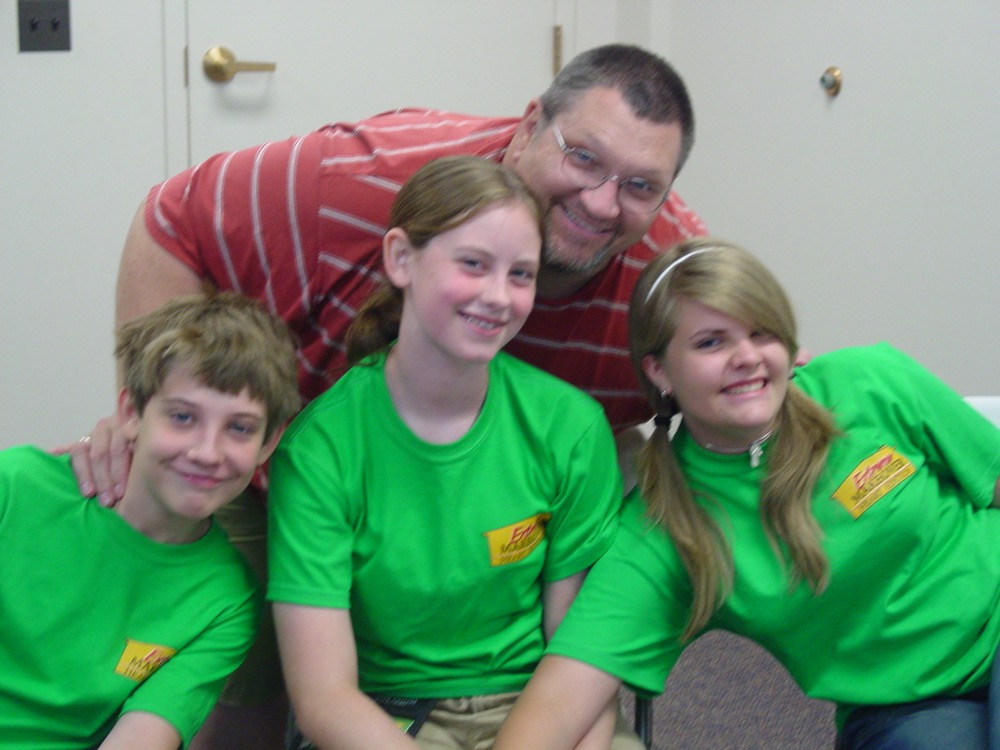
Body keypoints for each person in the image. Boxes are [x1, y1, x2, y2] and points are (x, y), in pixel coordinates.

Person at [65, 43, 704, 748]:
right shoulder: (349, 185)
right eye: (583, 157)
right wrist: (153, 414)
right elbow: (173, 220)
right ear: (530, 127)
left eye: (640, 186)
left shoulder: (657, 293)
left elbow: (753, 359)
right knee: (246, 639)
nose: (604, 201)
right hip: (350, 583)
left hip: (524, 661)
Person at [493, 237, 1000, 750]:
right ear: (659, 370)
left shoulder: (869, 382)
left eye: (762, 332)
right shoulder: (665, 528)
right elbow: (564, 694)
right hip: (908, 706)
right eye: (711, 343)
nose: (747, 358)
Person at [267, 155, 643, 750]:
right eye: (473, 264)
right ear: (401, 259)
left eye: (521, 274)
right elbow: (324, 699)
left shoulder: (570, 427)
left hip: (541, 708)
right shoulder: (322, 448)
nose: (498, 296)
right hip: (388, 718)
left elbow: (581, 660)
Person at [0, 293, 300, 749]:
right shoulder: (18, 485)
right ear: (131, 414)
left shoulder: (227, 601)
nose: (207, 452)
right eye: (182, 417)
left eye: (239, 428)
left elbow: (141, 737)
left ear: (269, 443)